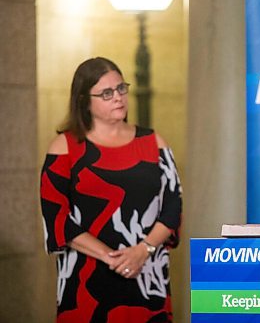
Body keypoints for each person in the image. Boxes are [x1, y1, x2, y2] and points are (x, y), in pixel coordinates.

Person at [40, 57, 182, 323]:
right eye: (106, 93)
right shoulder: (63, 148)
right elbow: (56, 217)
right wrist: (114, 258)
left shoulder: (154, 142)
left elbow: (173, 206)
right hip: (86, 277)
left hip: (147, 272)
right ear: (84, 101)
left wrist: (143, 251)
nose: (117, 97)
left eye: (121, 89)